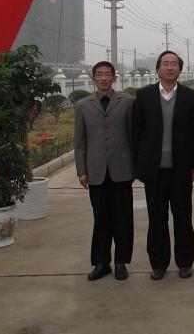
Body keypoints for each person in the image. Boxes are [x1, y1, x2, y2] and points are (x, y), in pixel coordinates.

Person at [132, 50, 194, 281]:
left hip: (181, 168)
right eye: (165, 63)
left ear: (180, 70)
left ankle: (184, 262)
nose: (170, 67)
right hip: (154, 170)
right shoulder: (144, 95)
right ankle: (159, 264)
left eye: (174, 64)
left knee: (183, 217)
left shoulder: (191, 97)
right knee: (156, 219)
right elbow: (136, 132)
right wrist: (138, 165)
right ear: (158, 69)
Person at [74, 61, 135, 281]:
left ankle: (121, 262)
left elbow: (134, 137)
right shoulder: (83, 105)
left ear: (114, 78)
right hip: (96, 171)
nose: (103, 78)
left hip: (122, 169)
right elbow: (80, 142)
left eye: (107, 74)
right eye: (99, 75)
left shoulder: (128, 102)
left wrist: (135, 167)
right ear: (93, 79)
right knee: (100, 218)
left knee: (122, 218)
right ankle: (101, 262)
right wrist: (81, 170)